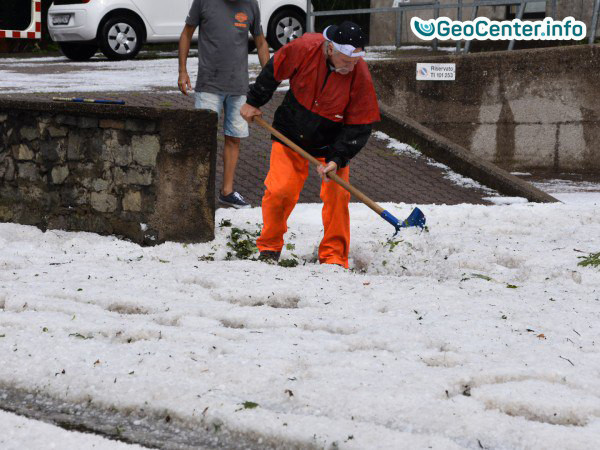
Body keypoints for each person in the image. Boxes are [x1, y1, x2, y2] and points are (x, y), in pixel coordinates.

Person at [240, 21, 380, 268]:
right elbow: (274, 69)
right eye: (346, 59)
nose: (351, 65)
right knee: (280, 190)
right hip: (291, 131)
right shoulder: (305, 48)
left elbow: (360, 124)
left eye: (356, 59)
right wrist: (254, 101)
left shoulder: (359, 74)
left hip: (332, 141)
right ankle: (270, 247)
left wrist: (337, 158)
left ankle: (334, 256)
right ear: (330, 49)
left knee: (338, 196)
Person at [178, 0, 270, 209]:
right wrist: (182, 70)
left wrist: (268, 80)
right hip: (209, 85)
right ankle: (199, 191)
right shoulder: (204, 2)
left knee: (234, 138)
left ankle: (227, 192)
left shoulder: (251, 4)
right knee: (203, 139)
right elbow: (186, 33)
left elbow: (261, 41)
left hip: (238, 87)